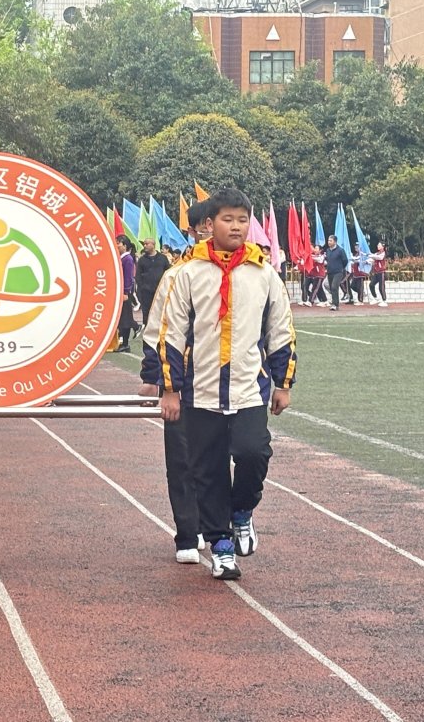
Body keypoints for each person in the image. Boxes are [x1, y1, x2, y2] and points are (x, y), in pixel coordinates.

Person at [159, 188, 296, 581]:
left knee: (254, 454)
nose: (235, 226)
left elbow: (280, 330)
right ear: (209, 225)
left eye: (242, 219)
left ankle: (241, 511)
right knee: (208, 470)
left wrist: (283, 383)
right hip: (200, 392)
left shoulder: (263, 272)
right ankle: (220, 545)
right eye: (227, 219)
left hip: (249, 388)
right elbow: (172, 334)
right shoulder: (187, 273)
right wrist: (170, 389)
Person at [139, 200, 212, 564]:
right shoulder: (176, 275)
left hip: (228, 383)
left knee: (223, 458)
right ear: (194, 230)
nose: (215, 232)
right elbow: (158, 332)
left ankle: (217, 524)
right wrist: (154, 377)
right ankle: (188, 532)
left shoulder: (247, 273)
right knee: (182, 457)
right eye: (208, 226)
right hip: (182, 380)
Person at [135, 237, 170, 326]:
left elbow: (168, 272)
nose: (144, 246)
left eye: (147, 244)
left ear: (153, 245)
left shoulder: (163, 258)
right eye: (144, 244)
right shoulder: (142, 260)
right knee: (147, 314)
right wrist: (142, 288)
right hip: (146, 293)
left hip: (160, 292)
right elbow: (138, 276)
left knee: (160, 313)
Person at [114, 235, 138, 352]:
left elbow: (128, 277)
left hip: (125, 293)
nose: (116, 245)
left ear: (124, 245)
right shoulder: (122, 258)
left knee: (125, 319)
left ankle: (126, 343)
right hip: (121, 292)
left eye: (118, 243)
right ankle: (126, 341)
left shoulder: (127, 259)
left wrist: (125, 291)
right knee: (124, 318)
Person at [324, 234, 349, 311]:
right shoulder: (328, 250)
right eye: (328, 240)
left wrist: (340, 268)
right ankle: (334, 303)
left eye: (330, 240)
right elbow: (327, 260)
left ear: (335, 242)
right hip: (330, 272)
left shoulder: (340, 250)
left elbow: (345, 260)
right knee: (332, 288)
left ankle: (335, 304)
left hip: (338, 272)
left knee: (334, 286)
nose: (329, 242)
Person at [369, 242, 388, 306]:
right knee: (371, 285)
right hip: (376, 273)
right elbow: (371, 259)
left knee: (381, 287)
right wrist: (365, 261)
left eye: (379, 245)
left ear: (382, 246)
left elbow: (379, 258)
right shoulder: (376, 253)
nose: (377, 246)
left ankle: (384, 300)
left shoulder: (383, 253)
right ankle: (376, 298)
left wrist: (371, 255)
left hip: (381, 272)